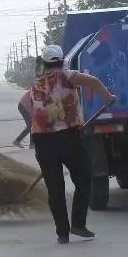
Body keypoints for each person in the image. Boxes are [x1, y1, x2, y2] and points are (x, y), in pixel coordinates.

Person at [21, 45, 116, 245]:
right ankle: (78, 225)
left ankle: (62, 233)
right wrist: (107, 98)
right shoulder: (67, 76)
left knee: (55, 188)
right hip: (69, 137)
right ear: (62, 60)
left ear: (45, 63)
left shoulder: (36, 84)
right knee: (83, 180)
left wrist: (37, 121)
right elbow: (94, 81)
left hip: (43, 141)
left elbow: (23, 103)